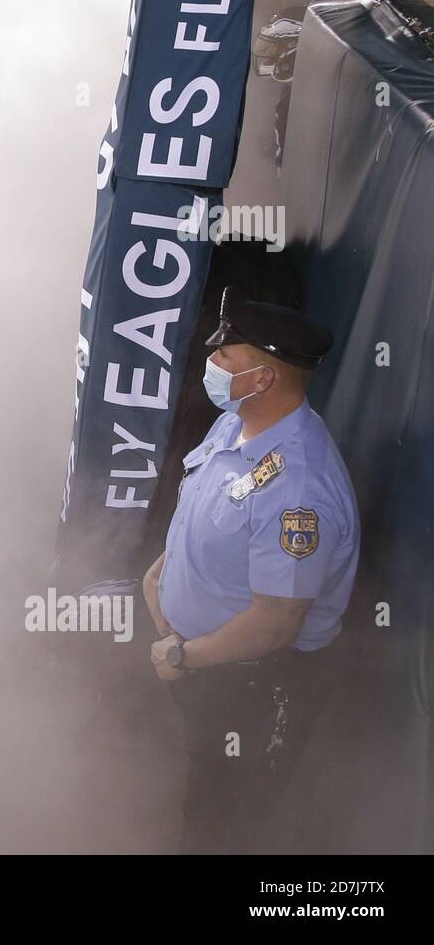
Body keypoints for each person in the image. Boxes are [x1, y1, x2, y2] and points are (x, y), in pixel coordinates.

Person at [142, 287, 359, 854]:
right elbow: (207, 512)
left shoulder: (298, 490)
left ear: (263, 379)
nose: (210, 364)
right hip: (201, 665)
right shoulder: (234, 425)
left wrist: (182, 655)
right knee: (202, 785)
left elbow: (275, 624)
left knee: (226, 820)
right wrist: (160, 578)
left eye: (224, 358)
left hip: (255, 686)